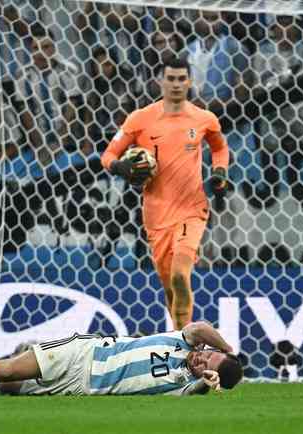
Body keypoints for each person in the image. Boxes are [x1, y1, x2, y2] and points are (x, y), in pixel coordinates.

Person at [101, 57, 229, 330]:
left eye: (181, 78)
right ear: (160, 81)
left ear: (190, 82)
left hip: (192, 209)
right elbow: (108, 155)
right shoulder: (140, 119)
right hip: (156, 215)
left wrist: (219, 171)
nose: (176, 84)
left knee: (181, 276)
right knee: (170, 284)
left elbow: (219, 148)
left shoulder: (204, 118)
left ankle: (184, 346)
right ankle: (179, 335)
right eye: (170, 78)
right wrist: (120, 166)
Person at [0, 321, 242, 397]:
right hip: (83, 352)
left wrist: (205, 383)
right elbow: (199, 327)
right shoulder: (180, 341)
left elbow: (196, 391)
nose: (202, 359)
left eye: (207, 364)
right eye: (208, 355)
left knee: (8, 387)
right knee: (5, 369)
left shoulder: (182, 386)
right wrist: (228, 348)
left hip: (81, 387)